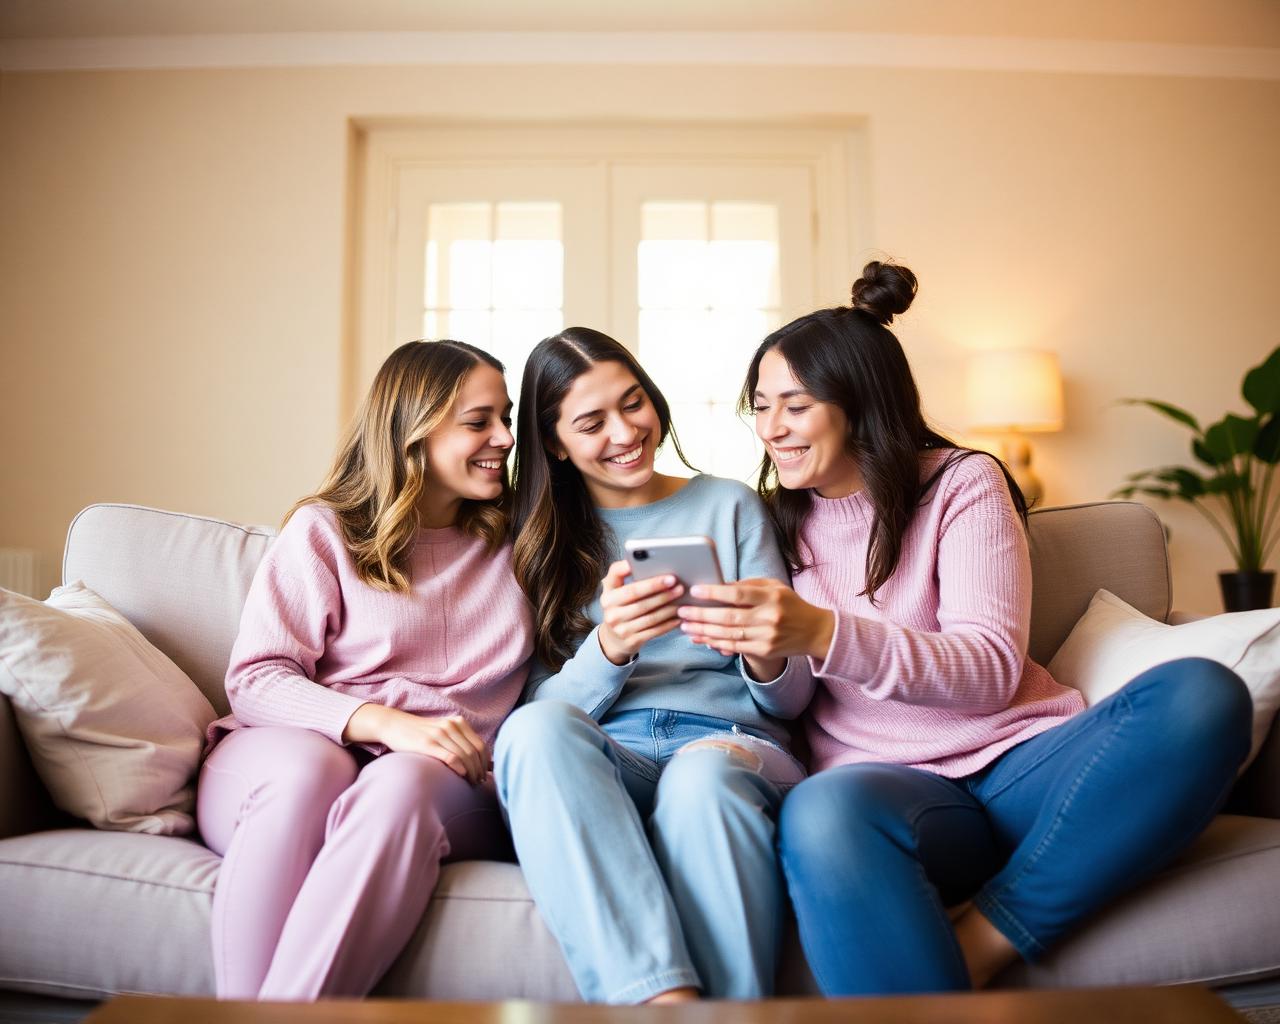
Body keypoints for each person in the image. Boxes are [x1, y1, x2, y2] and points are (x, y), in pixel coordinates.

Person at [677, 262, 1253, 996]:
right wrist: (763, 656)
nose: (772, 428)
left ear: (860, 400)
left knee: (1202, 695)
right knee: (821, 811)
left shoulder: (961, 483)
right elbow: (790, 706)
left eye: (795, 404)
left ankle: (985, 935)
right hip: (896, 796)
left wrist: (824, 631)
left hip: (1023, 767)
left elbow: (986, 672)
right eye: (760, 406)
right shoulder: (774, 521)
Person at [197, 340, 534, 1000]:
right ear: (411, 429)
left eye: (507, 417)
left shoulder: (522, 540)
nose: (504, 437)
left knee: (400, 785)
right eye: (478, 421)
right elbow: (258, 677)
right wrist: (380, 721)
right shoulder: (325, 532)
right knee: (308, 772)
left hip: (442, 777)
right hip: (289, 756)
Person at [492, 327, 810, 1004]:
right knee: (530, 734)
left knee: (701, 780)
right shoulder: (538, 542)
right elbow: (533, 718)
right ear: (555, 443)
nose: (624, 431)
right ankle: (663, 1003)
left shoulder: (730, 505)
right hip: (616, 754)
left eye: (632, 403)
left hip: (733, 745)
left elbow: (790, 705)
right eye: (591, 421)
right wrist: (609, 649)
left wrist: (761, 648)